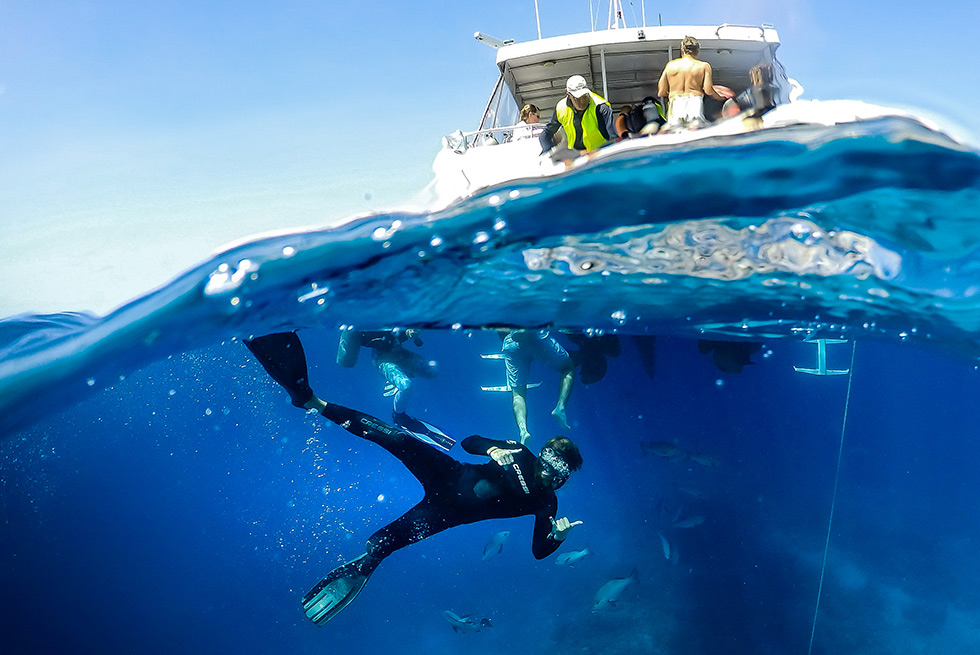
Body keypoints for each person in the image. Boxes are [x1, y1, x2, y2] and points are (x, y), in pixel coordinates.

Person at [302, 402, 584, 626]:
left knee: (380, 545)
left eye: (558, 471)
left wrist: (557, 537)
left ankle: (366, 563)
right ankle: (318, 403)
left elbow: (539, 550)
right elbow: (469, 442)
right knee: (396, 438)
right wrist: (493, 449)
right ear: (543, 454)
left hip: (446, 513)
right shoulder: (521, 453)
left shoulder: (547, 504)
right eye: (548, 462)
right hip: (447, 473)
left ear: (566, 475)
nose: (548, 473)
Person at [337, 328, 438, 427]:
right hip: (383, 360)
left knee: (433, 373)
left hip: (399, 353)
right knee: (406, 386)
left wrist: (409, 332)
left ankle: (400, 377)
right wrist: (406, 333)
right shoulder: (361, 327)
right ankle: (398, 416)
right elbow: (346, 359)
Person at [501, 330, 574, 444]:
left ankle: (523, 431)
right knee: (568, 367)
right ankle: (560, 407)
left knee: (518, 394)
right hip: (537, 337)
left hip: (512, 342)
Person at [657, 36, 733, 130]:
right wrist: (721, 98)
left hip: (676, 104)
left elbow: (661, 92)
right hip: (695, 104)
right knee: (698, 131)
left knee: (675, 132)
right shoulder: (704, 66)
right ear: (697, 51)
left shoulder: (670, 66)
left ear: (682, 50)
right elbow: (708, 90)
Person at [539, 75, 616, 153]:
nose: (582, 101)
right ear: (569, 95)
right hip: (575, 158)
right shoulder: (561, 108)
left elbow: (613, 137)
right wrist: (548, 152)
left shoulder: (601, 107)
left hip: (600, 154)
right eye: (577, 98)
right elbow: (546, 134)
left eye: (584, 96)